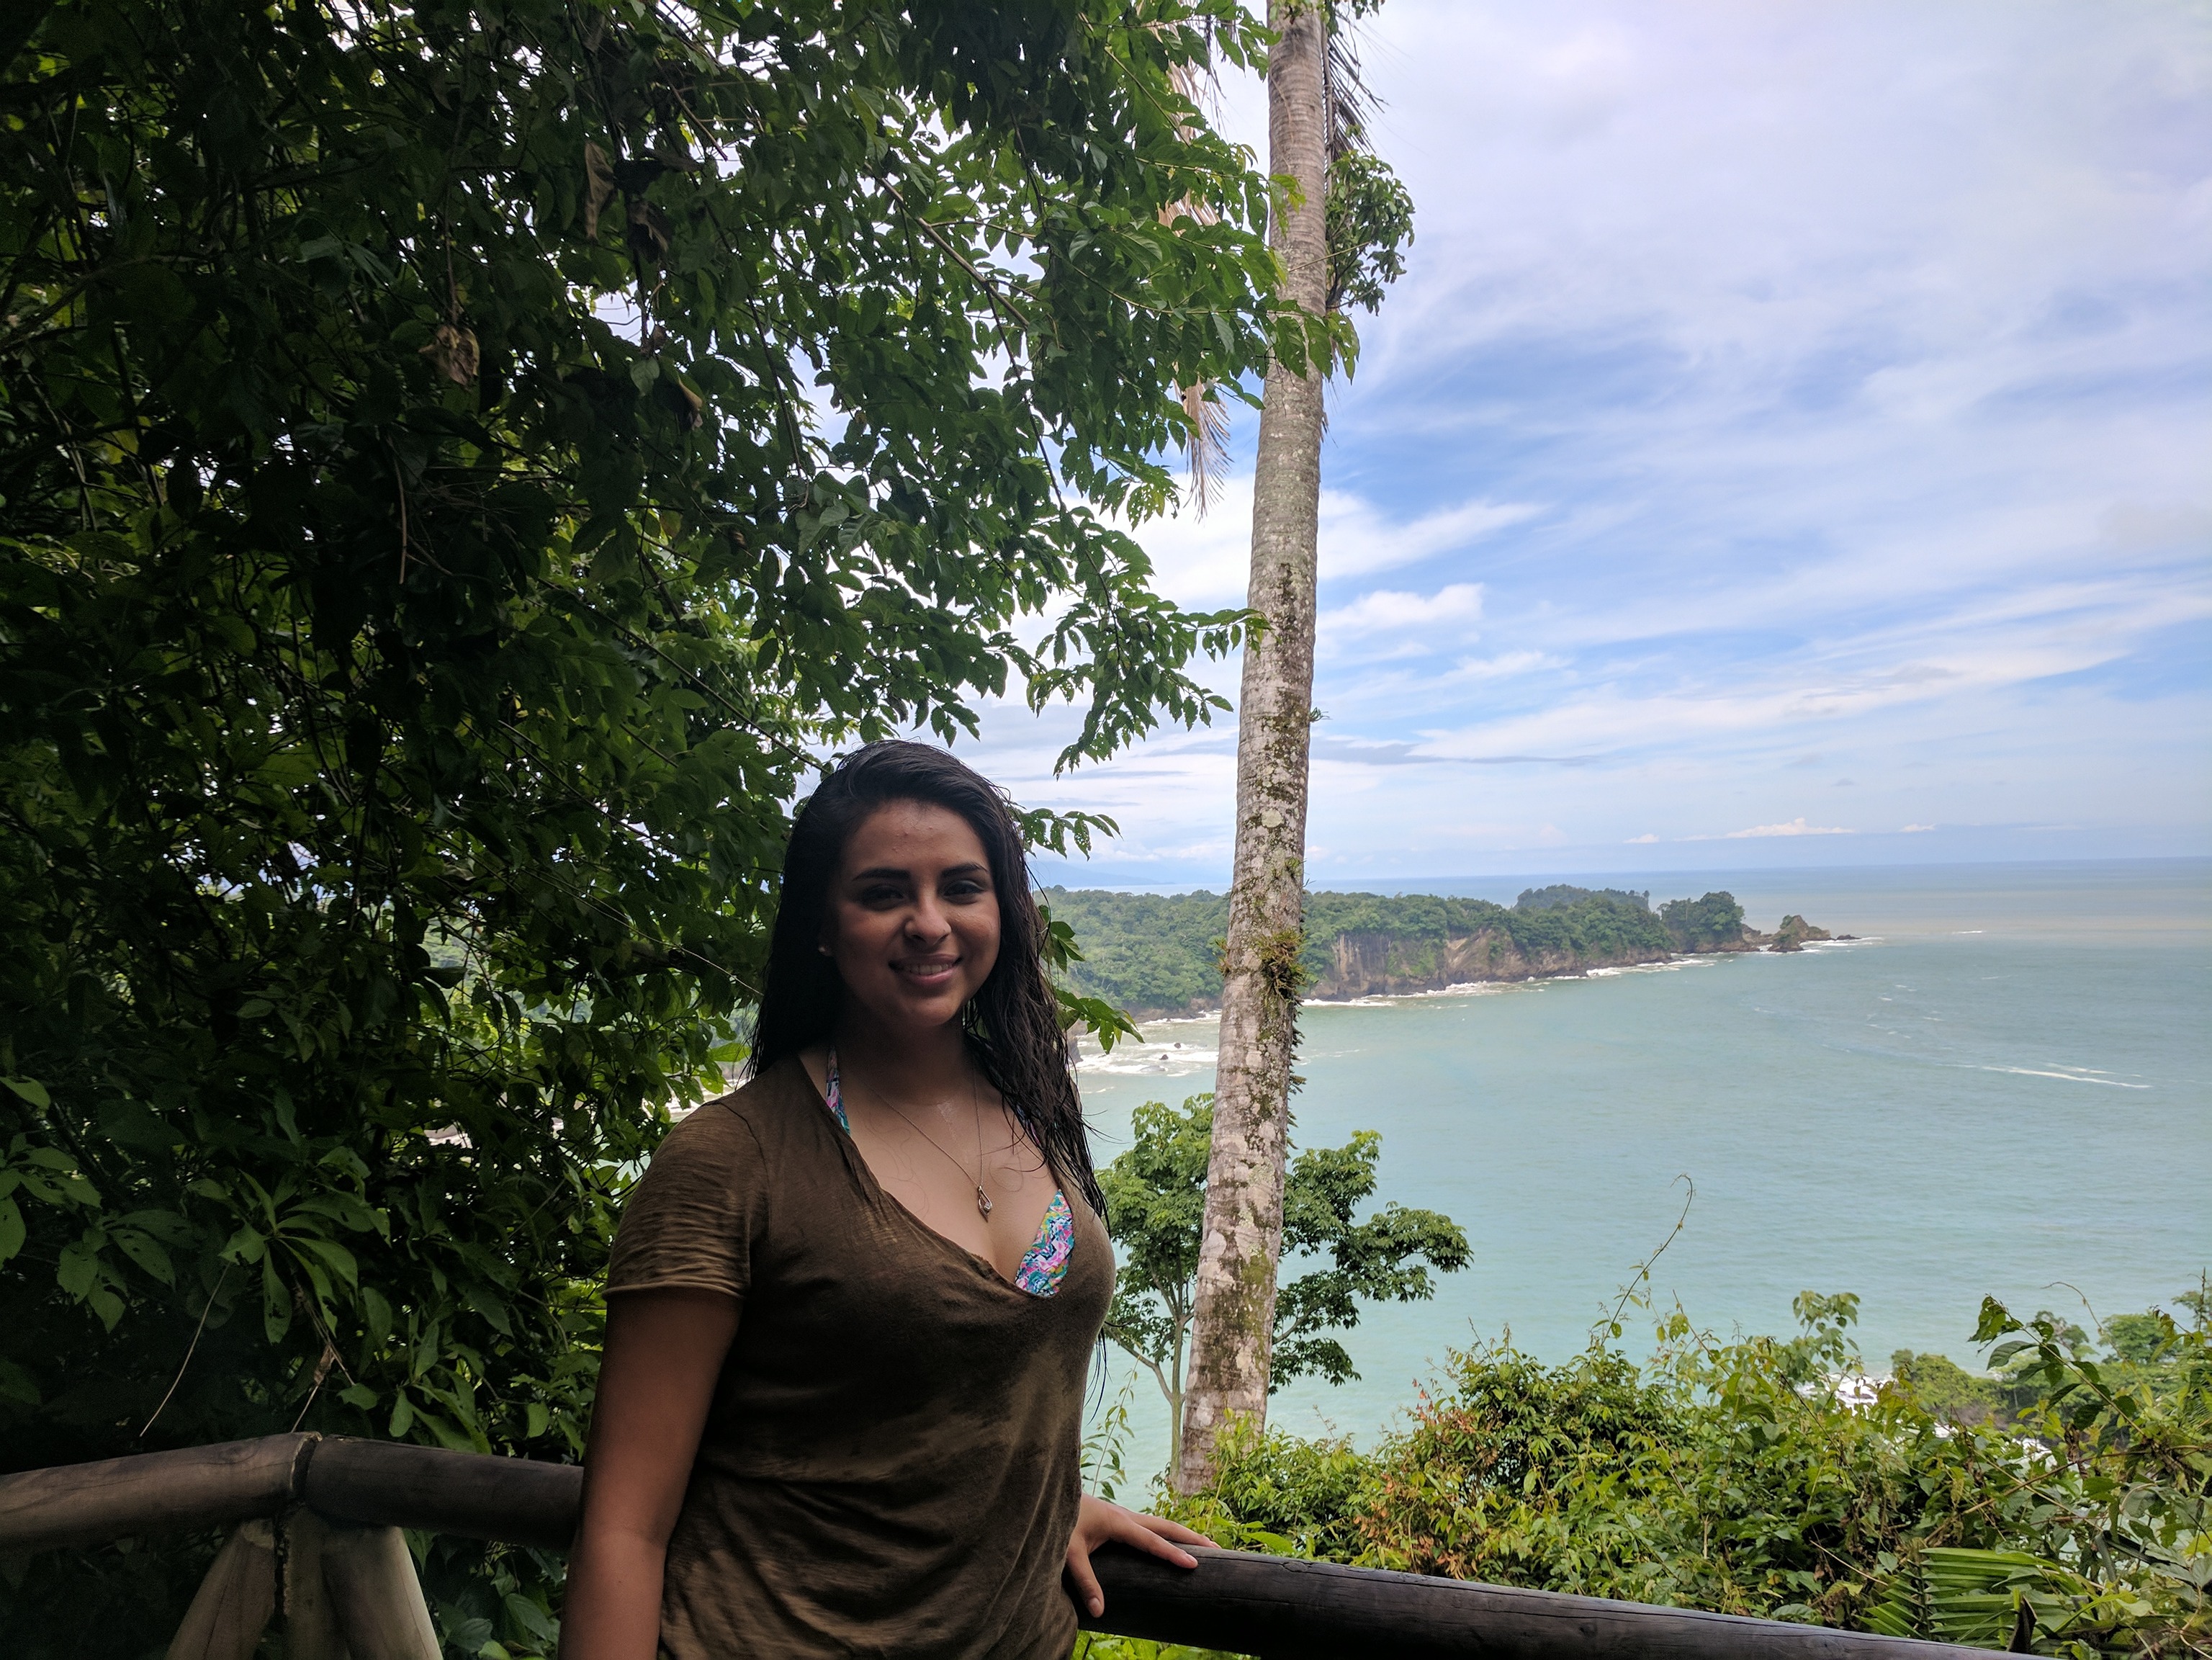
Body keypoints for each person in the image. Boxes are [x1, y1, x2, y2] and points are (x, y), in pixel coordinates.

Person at [561, 741, 1205, 1659]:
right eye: (883, 892)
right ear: (824, 923)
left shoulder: (1034, 1106)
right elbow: (624, 1529)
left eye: (963, 887)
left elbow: (960, 1396)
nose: (929, 922)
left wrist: (1039, 1503)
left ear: (1004, 911)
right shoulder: (731, 1161)